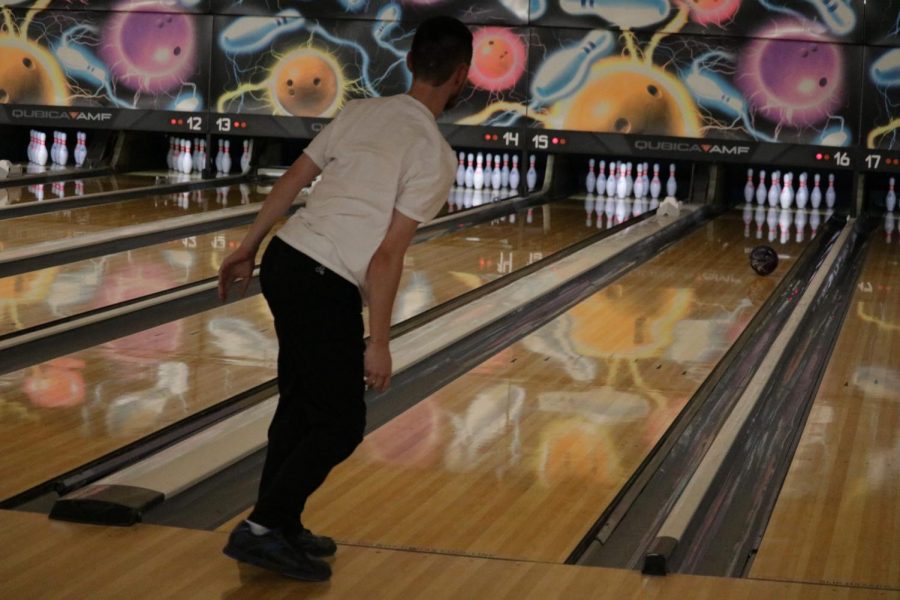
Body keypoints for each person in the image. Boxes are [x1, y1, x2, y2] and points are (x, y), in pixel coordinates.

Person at [217, 16, 472, 581]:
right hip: (323, 279)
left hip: (286, 260)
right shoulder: (434, 153)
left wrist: (247, 246)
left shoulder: (361, 112)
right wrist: (378, 343)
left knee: (301, 403)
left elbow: (292, 182)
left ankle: (281, 524)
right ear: (461, 76)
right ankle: (261, 528)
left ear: (410, 63)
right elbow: (386, 256)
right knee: (340, 424)